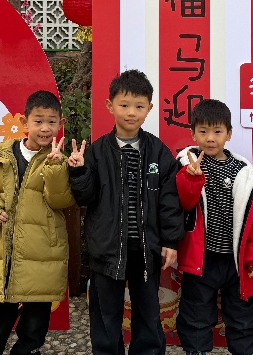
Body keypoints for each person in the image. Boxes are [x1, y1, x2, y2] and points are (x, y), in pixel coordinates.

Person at [68, 69, 184, 355]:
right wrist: (79, 172)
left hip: (147, 249)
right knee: (105, 315)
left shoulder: (158, 152)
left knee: (148, 312)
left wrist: (170, 241)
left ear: (149, 109)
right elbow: (85, 198)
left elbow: (170, 201)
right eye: (124, 105)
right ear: (110, 106)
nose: (131, 113)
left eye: (139, 106)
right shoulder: (96, 152)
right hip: (106, 249)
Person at [0, 90, 74, 355]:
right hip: (2, 253)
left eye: (51, 122)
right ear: (25, 122)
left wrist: (56, 169)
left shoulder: (60, 159)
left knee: (34, 328)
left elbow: (61, 200)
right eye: (38, 121)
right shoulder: (1, 154)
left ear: (60, 124)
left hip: (42, 254)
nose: (45, 128)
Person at [175, 99, 253, 355]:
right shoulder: (185, 164)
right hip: (202, 258)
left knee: (243, 313)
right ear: (193, 133)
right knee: (196, 310)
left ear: (229, 134)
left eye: (217, 131)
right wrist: (191, 179)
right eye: (203, 131)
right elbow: (182, 204)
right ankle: (197, 351)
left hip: (236, 260)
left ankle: (243, 351)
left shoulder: (245, 171)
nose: (210, 138)